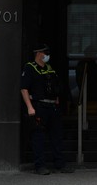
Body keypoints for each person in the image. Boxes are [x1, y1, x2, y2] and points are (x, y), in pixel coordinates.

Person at [20, 44, 74, 175]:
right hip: (39, 106)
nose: (47, 55)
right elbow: (24, 89)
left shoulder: (49, 68)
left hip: (52, 107)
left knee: (57, 136)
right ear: (38, 53)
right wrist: (29, 107)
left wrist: (57, 100)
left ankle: (59, 165)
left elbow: (55, 86)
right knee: (38, 137)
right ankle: (40, 166)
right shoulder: (30, 68)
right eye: (45, 53)